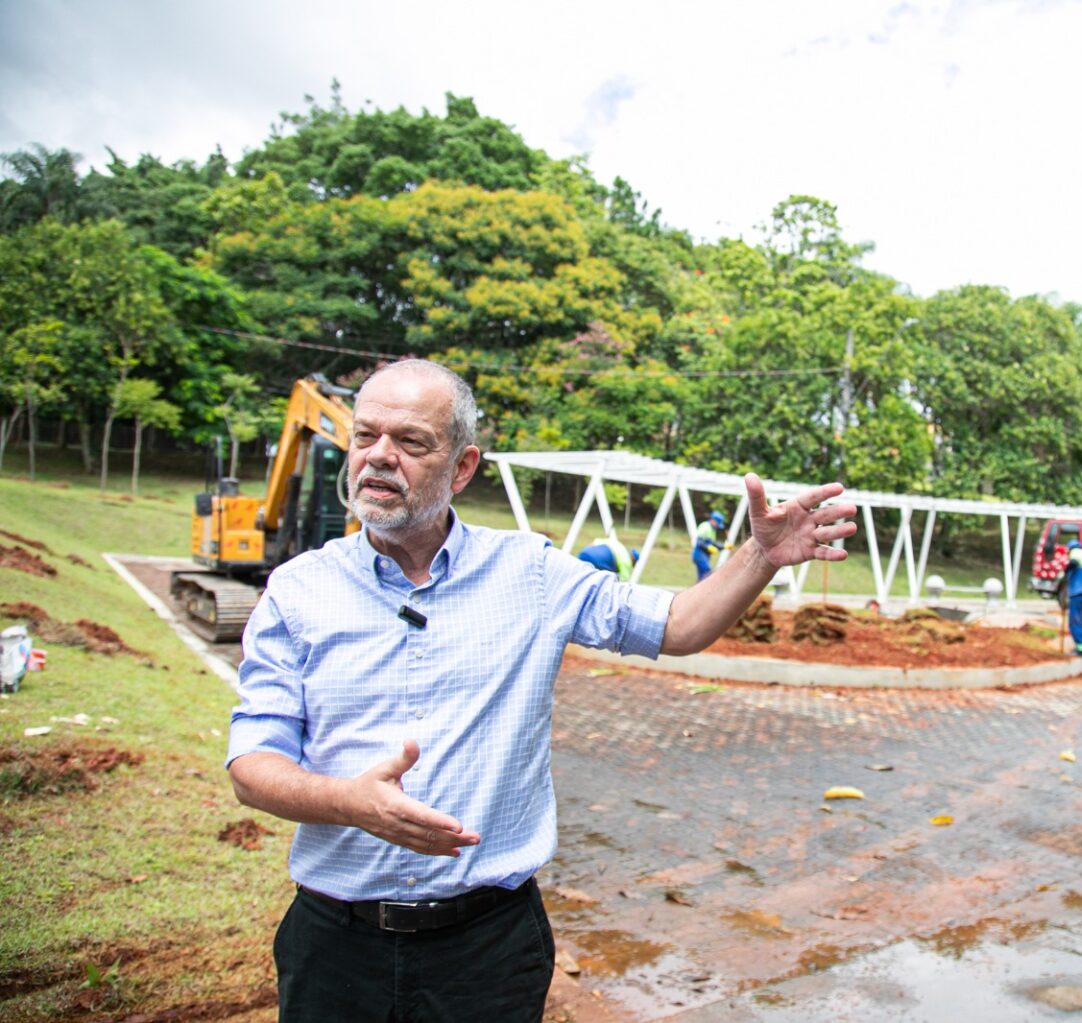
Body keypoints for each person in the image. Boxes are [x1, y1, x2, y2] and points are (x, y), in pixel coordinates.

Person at [225, 359, 857, 1022]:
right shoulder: (296, 592)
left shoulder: (530, 572)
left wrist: (759, 555)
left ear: (462, 467)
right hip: (336, 947)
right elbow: (252, 767)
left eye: (411, 442)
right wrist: (346, 802)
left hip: (488, 950)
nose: (379, 457)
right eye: (365, 436)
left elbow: (676, 625)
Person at [576, 536, 641, 581]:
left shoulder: (619, 545)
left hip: (585, 552)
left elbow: (596, 541)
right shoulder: (627, 561)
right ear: (633, 559)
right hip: (601, 561)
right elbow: (624, 580)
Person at [692, 509, 727, 580]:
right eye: (718, 523)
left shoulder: (712, 529)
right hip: (699, 554)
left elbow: (713, 543)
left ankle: (699, 590)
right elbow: (699, 542)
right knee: (707, 574)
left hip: (705, 556)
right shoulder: (705, 526)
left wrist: (724, 546)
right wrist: (708, 547)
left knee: (702, 576)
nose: (717, 526)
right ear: (713, 520)